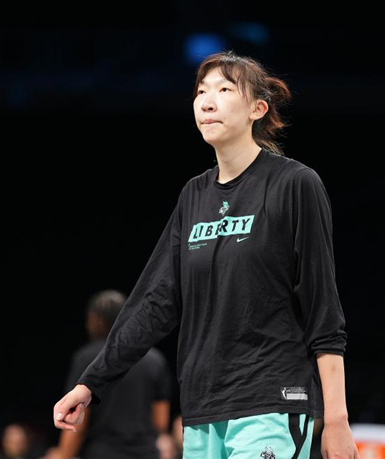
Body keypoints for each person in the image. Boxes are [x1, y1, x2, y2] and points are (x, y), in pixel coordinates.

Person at [53, 50, 360, 459]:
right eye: (201, 91)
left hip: (271, 400)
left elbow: (322, 307)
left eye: (225, 90)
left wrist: (336, 419)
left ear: (257, 109)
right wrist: (91, 383)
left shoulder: (295, 184)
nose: (207, 102)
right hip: (202, 411)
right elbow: (154, 301)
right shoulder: (193, 195)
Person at [50, 289, 173, 459]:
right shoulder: (155, 360)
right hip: (145, 453)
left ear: (96, 320)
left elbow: (77, 421)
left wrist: (63, 456)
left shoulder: (86, 358)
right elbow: (160, 421)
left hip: (102, 453)